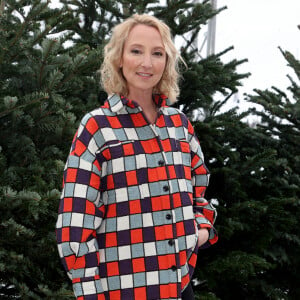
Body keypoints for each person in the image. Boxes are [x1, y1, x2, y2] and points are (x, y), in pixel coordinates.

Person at [56, 14, 218, 300]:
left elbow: (199, 196)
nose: (147, 63)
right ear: (119, 58)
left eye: (157, 53)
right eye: (136, 51)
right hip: (122, 292)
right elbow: (75, 227)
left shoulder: (179, 124)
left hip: (180, 287)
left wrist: (200, 231)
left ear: (166, 61)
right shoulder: (97, 128)